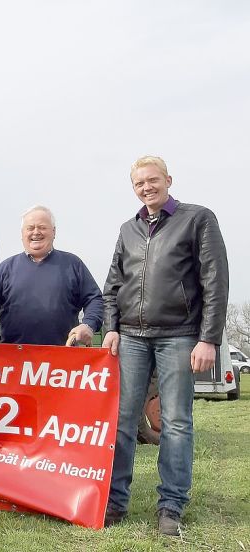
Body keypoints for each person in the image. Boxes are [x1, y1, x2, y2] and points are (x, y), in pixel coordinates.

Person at [101, 156, 228, 536]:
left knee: (175, 422)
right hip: (132, 339)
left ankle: (171, 506)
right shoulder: (128, 228)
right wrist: (111, 327)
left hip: (179, 334)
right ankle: (114, 502)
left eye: (152, 180)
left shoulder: (197, 219)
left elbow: (215, 281)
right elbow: (112, 285)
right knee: (123, 422)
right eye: (139, 183)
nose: (146, 188)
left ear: (168, 180)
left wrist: (209, 338)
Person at [0, 205, 103, 346]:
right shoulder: (6, 268)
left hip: (64, 360)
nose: (36, 232)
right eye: (30, 228)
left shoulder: (73, 264)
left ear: (54, 232)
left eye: (42, 227)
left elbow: (94, 299)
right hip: (14, 359)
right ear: (22, 234)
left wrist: (88, 325)